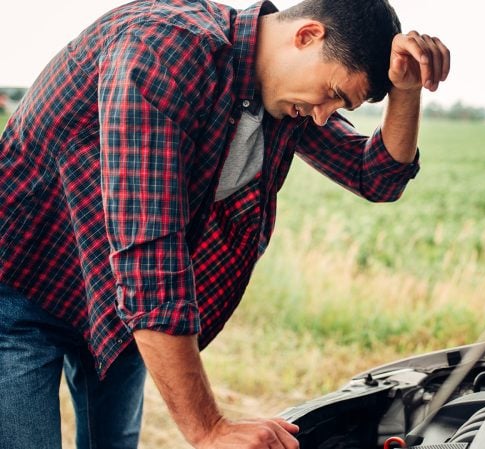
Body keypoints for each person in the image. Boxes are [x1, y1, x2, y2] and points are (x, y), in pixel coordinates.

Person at [0, 0, 449, 447]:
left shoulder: (281, 93)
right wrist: (209, 430)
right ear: (307, 36)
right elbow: (150, 258)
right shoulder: (164, 49)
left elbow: (377, 177)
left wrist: (406, 90)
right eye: (333, 93)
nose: (323, 114)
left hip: (114, 297)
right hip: (23, 284)